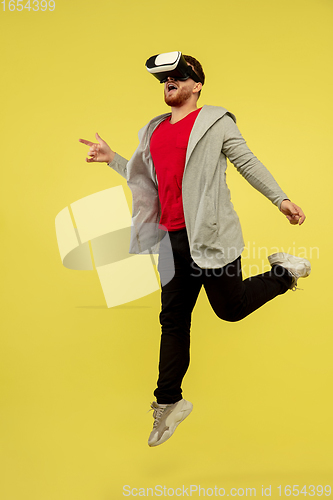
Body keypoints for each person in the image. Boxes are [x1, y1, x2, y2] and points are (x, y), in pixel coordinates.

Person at [79, 53, 311, 448]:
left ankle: (286, 271)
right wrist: (112, 159)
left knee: (230, 309)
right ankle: (168, 401)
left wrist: (281, 199)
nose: (168, 82)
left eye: (177, 76)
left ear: (196, 84)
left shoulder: (216, 123)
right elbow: (146, 177)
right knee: (172, 318)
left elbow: (248, 163)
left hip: (211, 237)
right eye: (164, 79)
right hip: (171, 240)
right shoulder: (153, 130)